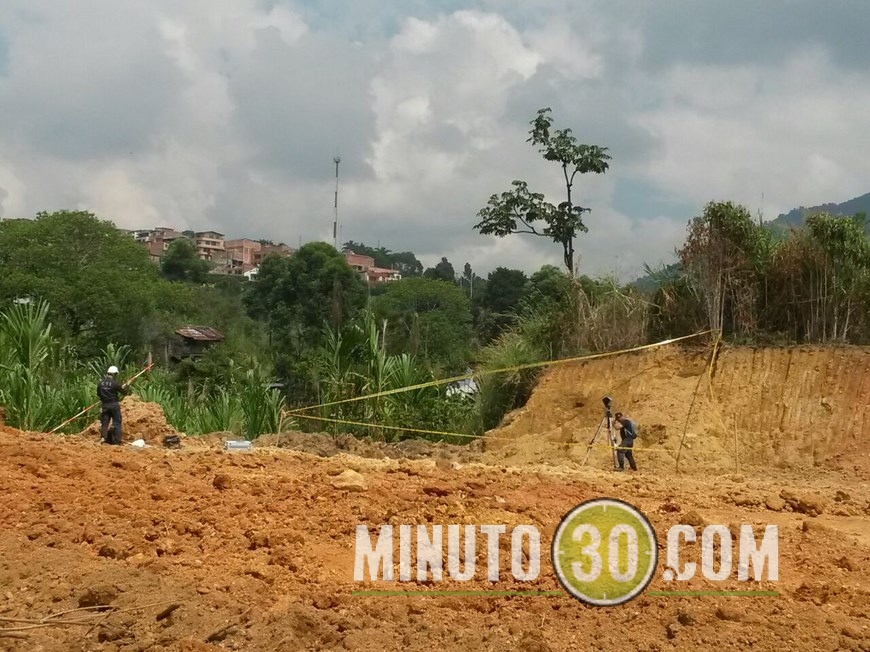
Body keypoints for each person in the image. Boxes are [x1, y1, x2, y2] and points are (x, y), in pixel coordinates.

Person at [97, 366, 129, 445]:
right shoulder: (115, 383)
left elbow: (98, 394)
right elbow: (124, 392)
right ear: (114, 374)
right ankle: (116, 441)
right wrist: (127, 386)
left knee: (105, 422)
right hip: (114, 405)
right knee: (117, 422)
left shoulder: (101, 383)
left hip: (105, 405)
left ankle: (103, 437)